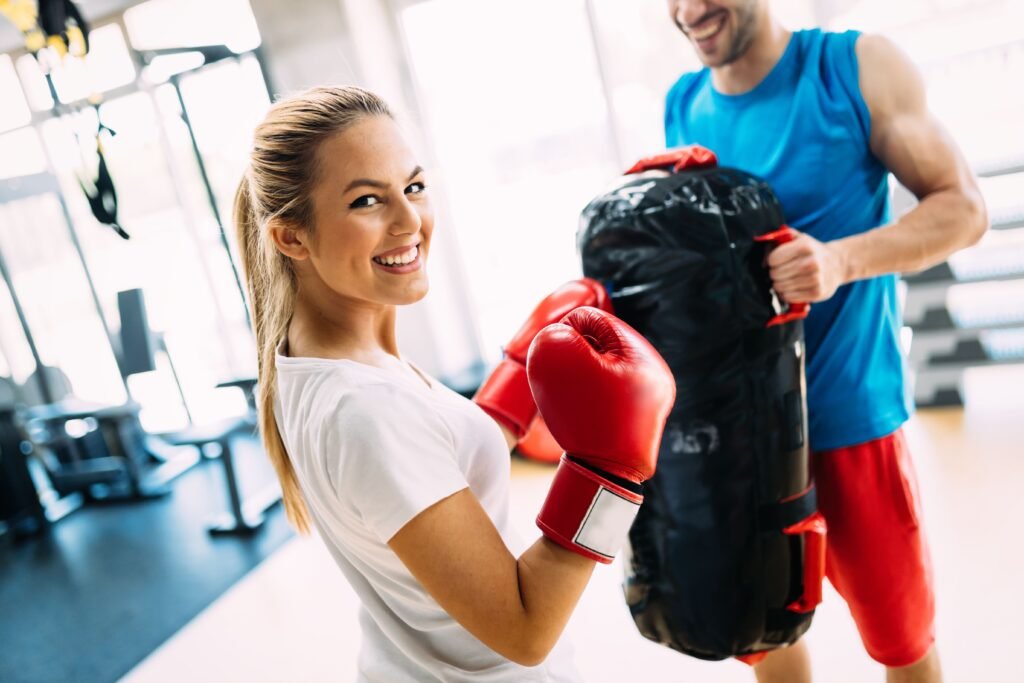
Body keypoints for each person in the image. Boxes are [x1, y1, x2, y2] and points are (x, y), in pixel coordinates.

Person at [232, 85, 675, 682]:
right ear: (291, 236)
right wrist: (609, 471)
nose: (409, 221)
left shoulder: (313, 365)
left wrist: (513, 385)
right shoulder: (365, 410)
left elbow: (423, 474)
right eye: (367, 200)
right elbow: (526, 629)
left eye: (413, 187)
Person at [662, 2, 988, 682]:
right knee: (764, 632)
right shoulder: (682, 103)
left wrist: (839, 261)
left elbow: (964, 209)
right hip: (741, 437)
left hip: (850, 423)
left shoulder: (854, 68)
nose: (690, 10)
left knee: (902, 641)